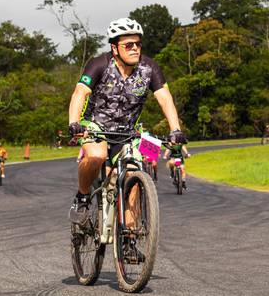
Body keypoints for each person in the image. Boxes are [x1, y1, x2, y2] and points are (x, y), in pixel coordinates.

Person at [67, 17, 187, 225]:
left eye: (138, 44)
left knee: (134, 173)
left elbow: (165, 98)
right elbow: (80, 93)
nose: (135, 49)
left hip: (128, 131)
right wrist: (74, 122)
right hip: (95, 126)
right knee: (97, 155)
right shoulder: (99, 64)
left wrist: (175, 129)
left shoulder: (149, 68)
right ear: (114, 48)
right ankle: (83, 197)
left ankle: (130, 234)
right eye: (128, 45)